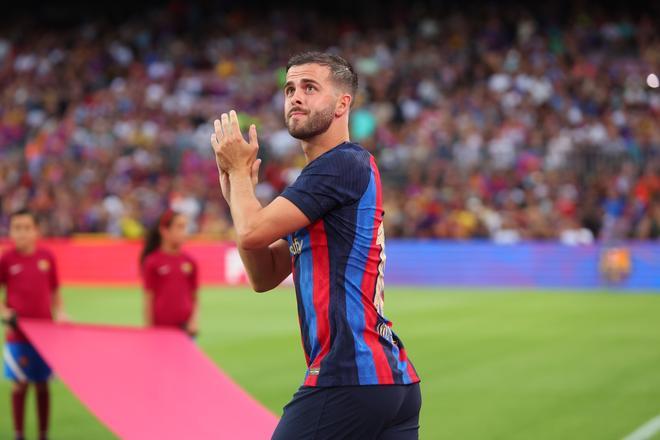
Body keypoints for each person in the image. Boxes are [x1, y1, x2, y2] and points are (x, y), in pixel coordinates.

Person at [211, 51, 421, 439]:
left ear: (343, 104)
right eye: (290, 88)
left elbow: (253, 232)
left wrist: (240, 175)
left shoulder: (339, 165)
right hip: (389, 382)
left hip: (349, 375)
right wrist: (235, 197)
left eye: (310, 87)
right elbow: (264, 274)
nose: (295, 97)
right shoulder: (332, 175)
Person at [0, 209, 67, 440]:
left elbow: (56, 290)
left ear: (36, 230)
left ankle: (43, 434)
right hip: (17, 335)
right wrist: (4, 312)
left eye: (27, 228)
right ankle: (19, 434)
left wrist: (61, 313)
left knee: (42, 385)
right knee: (19, 384)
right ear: (11, 231)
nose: (22, 233)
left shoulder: (47, 258)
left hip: (45, 335)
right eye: (17, 228)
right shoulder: (6, 260)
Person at [140, 209, 200, 336]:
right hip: (161, 330)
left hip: (185, 330)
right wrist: (149, 330)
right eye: (180, 227)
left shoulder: (190, 262)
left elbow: (194, 297)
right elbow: (148, 299)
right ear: (165, 231)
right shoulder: (153, 262)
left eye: (185, 227)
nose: (185, 232)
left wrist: (193, 321)